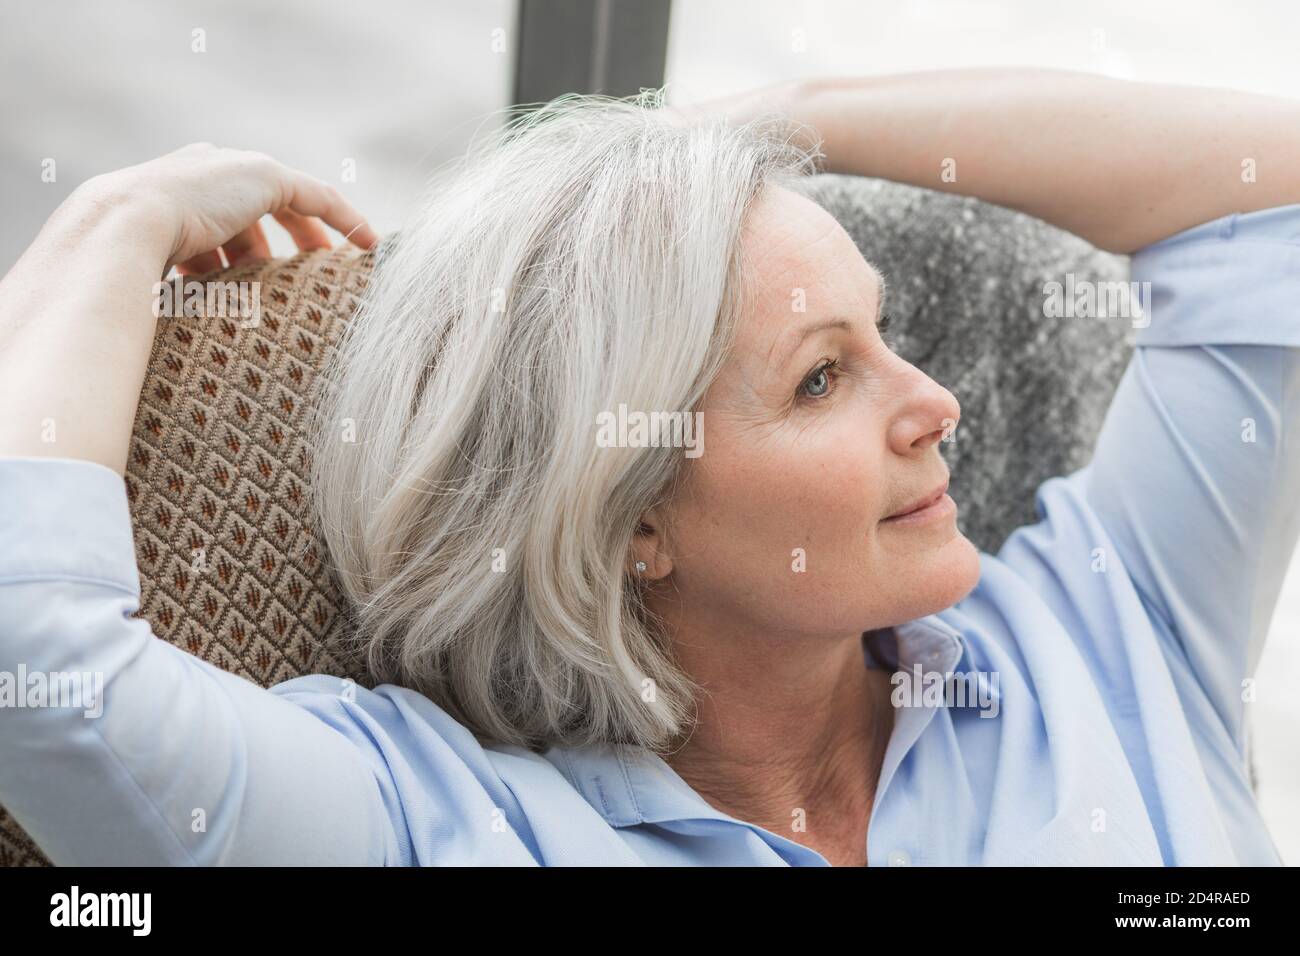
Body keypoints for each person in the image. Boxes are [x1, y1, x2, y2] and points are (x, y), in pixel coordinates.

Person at [1, 69, 1297, 866]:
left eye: (883, 331)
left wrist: (746, 130)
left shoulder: (1114, 623)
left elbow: (1272, 191)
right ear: (626, 519)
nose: (936, 404)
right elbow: (35, 676)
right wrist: (118, 226)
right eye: (822, 377)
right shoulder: (428, 824)